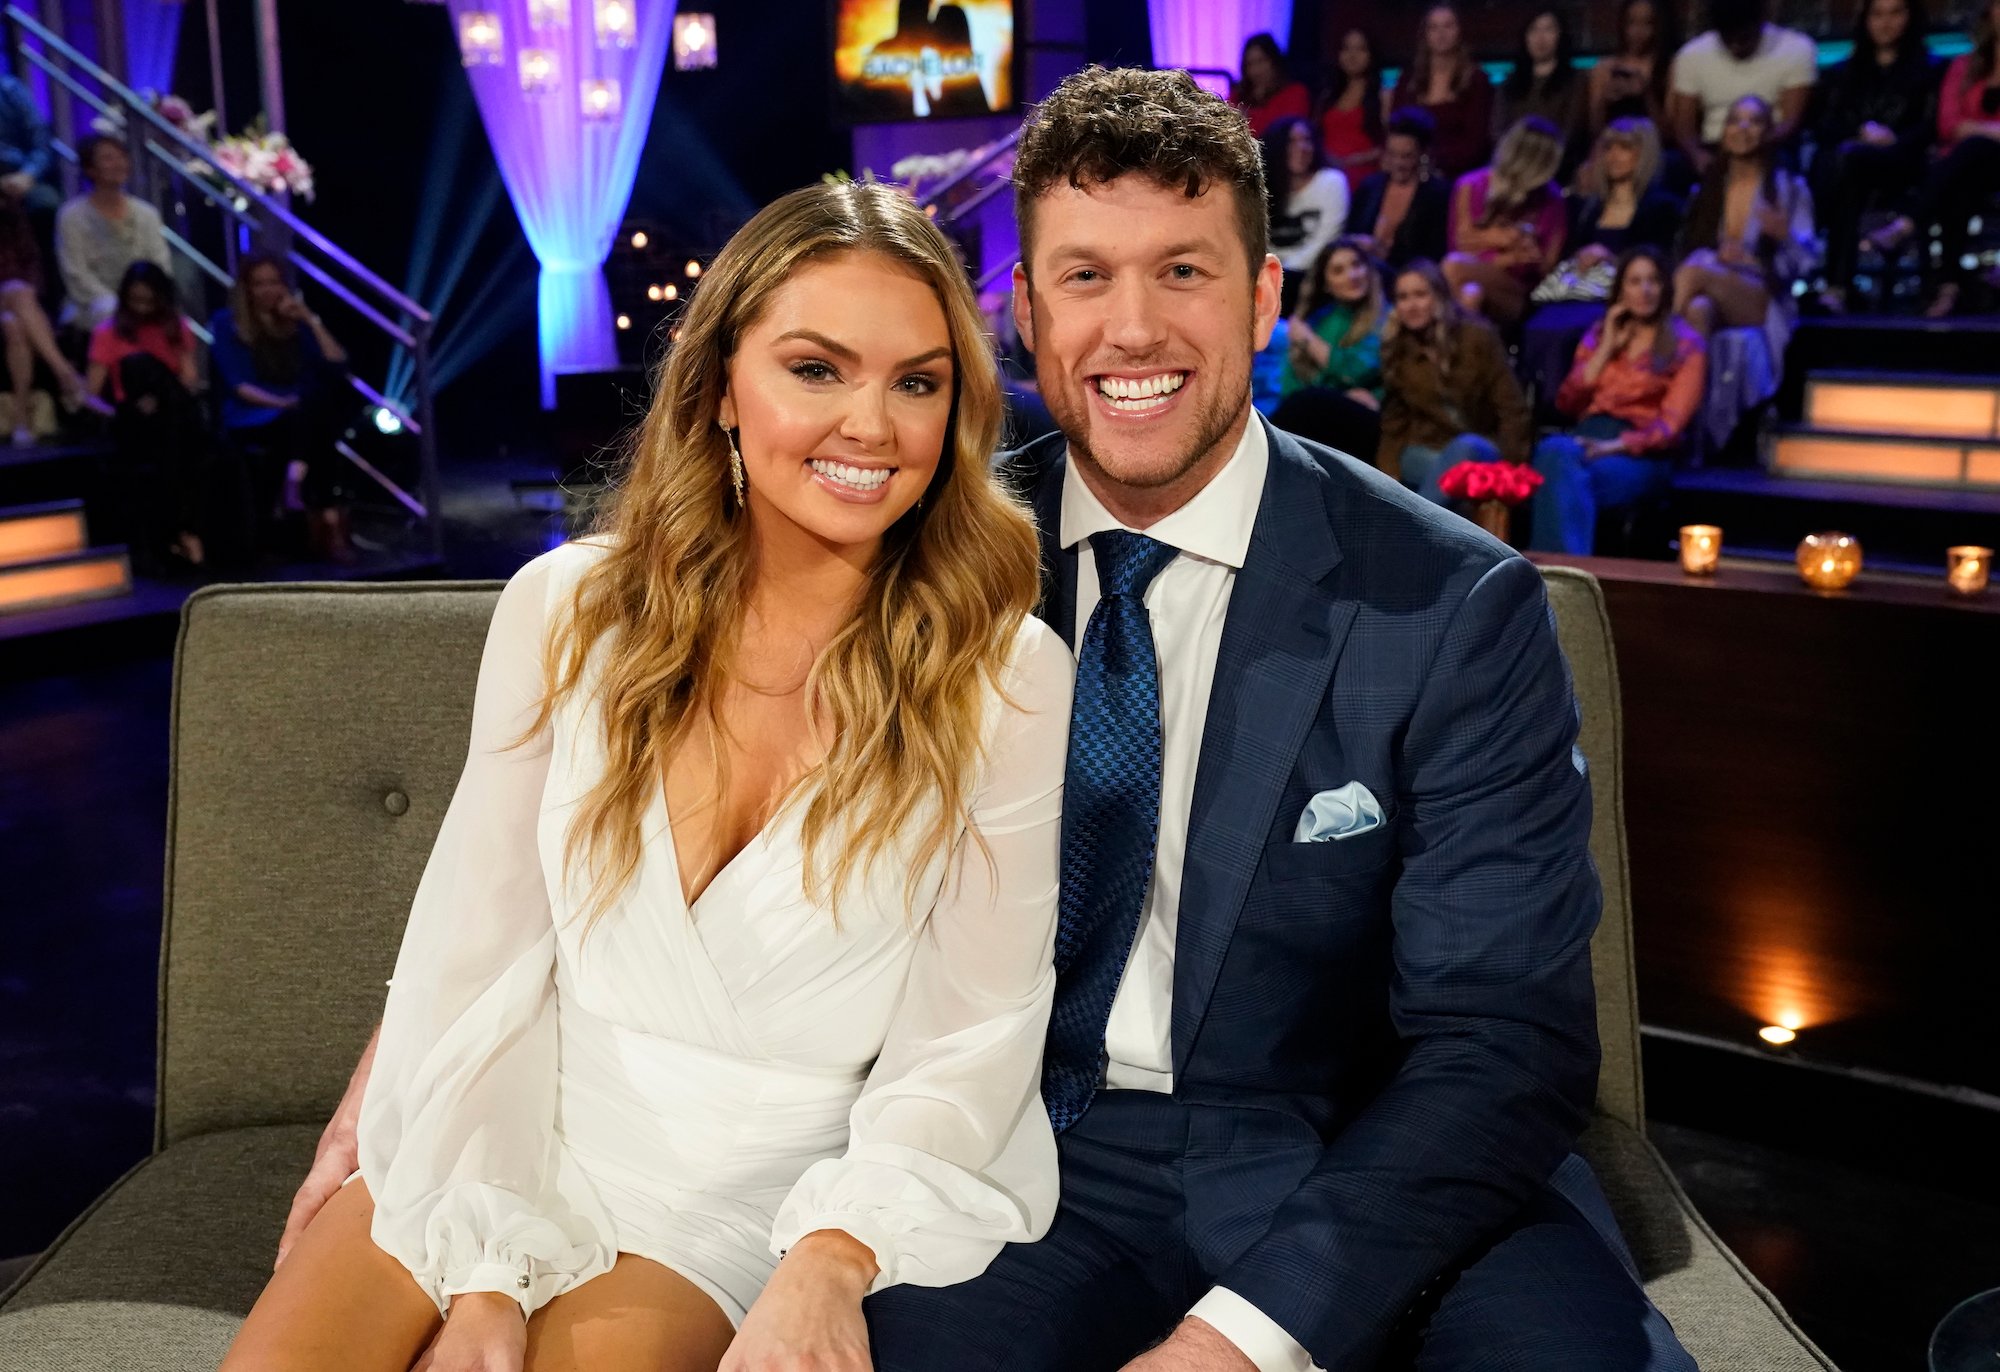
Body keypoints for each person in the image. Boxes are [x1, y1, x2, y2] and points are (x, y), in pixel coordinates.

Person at [867, 66, 1691, 1372]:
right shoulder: (928, 557)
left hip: (1365, 1143)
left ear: (1263, 298)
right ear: (1023, 311)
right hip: (1016, 1153)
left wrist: (1245, 1341)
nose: (1130, 329)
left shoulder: (1454, 601)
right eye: (1084, 276)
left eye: (1181, 272)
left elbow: (1500, 1040)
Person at [223, 180, 1070, 1372]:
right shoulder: (566, 609)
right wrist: (483, 1271)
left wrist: (835, 1252)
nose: (871, 425)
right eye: (815, 369)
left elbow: (969, 1040)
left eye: (916, 381)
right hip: (499, 1125)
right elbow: (481, 964)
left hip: (729, 1198)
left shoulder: (1008, 681)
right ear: (723, 384)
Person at [1531, 247, 1706, 554]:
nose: (1645, 290)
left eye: (1653, 281)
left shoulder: (1687, 345)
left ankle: (1555, 581)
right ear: (1620, 289)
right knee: (1553, 451)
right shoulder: (1600, 335)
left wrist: (1612, 447)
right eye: (1635, 281)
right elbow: (1567, 402)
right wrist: (1608, 346)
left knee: (1565, 481)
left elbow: (1669, 428)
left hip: (1639, 454)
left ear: (1665, 287)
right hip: (1587, 437)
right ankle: (1568, 582)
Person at [209, 253, 355, 561]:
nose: (267, 290)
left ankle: (296, 481)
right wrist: (284, 403)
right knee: (315, 416)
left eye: (273, 282)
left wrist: (309, 319)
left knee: (320, 398)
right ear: (246, 289)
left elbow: (338, 362)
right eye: (258, 284)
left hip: (299, 411)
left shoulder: (293, 322)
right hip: (252, 411)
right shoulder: (227, 323)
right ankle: (328, 519)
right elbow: (239, 387)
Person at [1868, 0, 2000, 318]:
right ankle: (1949, 286)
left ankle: (1907, 225)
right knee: (1962, 177)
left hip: (1976, 158)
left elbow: (1968, 129)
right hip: (1968, 168)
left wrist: (1981, 130)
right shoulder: (1964, 66)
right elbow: (1948, 124)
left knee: (1972, 151)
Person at [1810, 0, 1938, 314]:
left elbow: (1932, 126)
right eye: (1878, 14)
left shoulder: (1932, 69)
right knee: (1844, 168)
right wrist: (1859, 132)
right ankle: (1838, 286)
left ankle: (1821, 261)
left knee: (1841, 165)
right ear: (1865, 20)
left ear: (1910, 17)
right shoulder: (1843, 73)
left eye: (1896, 13)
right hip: (1853, 166)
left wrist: (1893, 140)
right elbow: (1825, 125)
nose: (1886, 23)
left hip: (1906, 162)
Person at [1674, 93, 1818, 366]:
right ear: (1724, 132)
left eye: (1754, 122)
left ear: (1768, 133)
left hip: (1765, 291)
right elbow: (1684, 246)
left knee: (1692, 271)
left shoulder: (1789, 190)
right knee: (1698, 309)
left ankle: (1646, 363)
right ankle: (1695, 403)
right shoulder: (1705, 192)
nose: (1742, 129)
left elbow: (1808, 263)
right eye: (1734, 121)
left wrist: (1784, 237)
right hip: (1714, 285)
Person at [85, 261, 206, 571]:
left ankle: (180, 531)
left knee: (169, 406)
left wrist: (164, 395)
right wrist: (123, 413)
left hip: (174, 414)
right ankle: (183, 531)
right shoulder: (108, 333)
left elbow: (189, 381)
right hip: (133, 419)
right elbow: (92, 395)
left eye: (148, 301)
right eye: (134, 300)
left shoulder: (175, 328)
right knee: (138, 365)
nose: (141, 308)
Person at [1380, 257, 1532, 505]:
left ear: (1439, 296)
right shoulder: (1397, 350)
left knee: (1466, 449)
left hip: (1483, 447)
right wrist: (1386, 475)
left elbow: (1512, 408)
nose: (1411, 305)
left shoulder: (1477, 338)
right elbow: (1394, 423)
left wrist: (1512, 467)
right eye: (1403, 297)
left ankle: (1415, 533)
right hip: (1429, 448)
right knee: (1425, 466)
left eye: (1420, 294)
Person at [0, 196, 106, 447]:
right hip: (16, 295)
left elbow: (32, 260)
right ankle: (68, 378)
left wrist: (25, 293)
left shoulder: (8, 209)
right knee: (19, 292)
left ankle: (21, 421)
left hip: (18, 303)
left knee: (14, 324)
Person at [1667, 0, 1817, 175]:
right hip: (1714, 148)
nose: (1735, 46)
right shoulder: (1691, 55)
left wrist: (1749, 145)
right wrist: (1697, 155)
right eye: (1727, 39)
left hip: (1770, 146)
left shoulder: (1796, 49)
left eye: (1744, 38)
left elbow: (1790, 123)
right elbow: (1684, 128)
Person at [1443, 115, 1568, 325]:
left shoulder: (1552, 200)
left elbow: (1545, 268)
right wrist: (1505, 243)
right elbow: (1460, 244)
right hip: (1471, 279)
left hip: (1517, 293)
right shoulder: (1469, 186)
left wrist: (1488, 241)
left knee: (1453, 268)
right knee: (1470, 294)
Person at [1273, 236, 1387, 463]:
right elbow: (1292, 386)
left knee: (1309, 404)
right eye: (1339, 270)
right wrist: (1340, 396)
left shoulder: (1385, 318)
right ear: (1325, 283)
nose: (1352, 275)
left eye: (1357, 265)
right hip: (1318, 421)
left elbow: (1356, 372)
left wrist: (1308, 341)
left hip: (1370, 422)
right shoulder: (1319, 321)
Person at [55, 135, 172, 330]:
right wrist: (115, 302)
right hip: (92, 303)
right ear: (90, 169)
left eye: (121, 157)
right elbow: (76, 273)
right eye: (108, 158)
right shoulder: (71, 216)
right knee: (108, 313)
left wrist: (144, 296)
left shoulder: (147, 214)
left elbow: (160, 263)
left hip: (144, 297)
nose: (118, 164)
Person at [1390, 4, 1496, 180]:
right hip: (1410, 174)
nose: (1441, 34)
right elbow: (1396, 130)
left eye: (1448, 26)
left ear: (1459, 31)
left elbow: (1476, 142)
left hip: (1460, 176)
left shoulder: (1476, 80)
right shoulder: (1408, 80)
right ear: (1425, 34)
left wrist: (1435, 164)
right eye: (1434, 27)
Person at [1345, 107, 1452, 269]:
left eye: (1407, 156)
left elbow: (1434, 255)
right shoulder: (1370, 187)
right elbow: (1347, 237)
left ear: (1423, 153)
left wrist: (1386, 254)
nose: (1398, 163)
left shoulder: (1437, 195)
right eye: (1392, 154)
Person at [1263, 116, 1350, 304]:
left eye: (1307, 140)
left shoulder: (1331, 182)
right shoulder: (1263, 188)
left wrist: (1282, 275)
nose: (1301, 148)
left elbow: (1326, 240)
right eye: (1292, 142)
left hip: (1309, 277)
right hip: (1268, 275)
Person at [1496, 9, 1589, 178]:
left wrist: (1542, 162)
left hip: (1557, 168)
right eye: (1534, 30)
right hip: (1513, 169)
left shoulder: (1575, 80)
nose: (1540, 37)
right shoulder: (1510, 82)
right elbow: (1498, 130)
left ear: (1560, 36)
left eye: (1548, 29)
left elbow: (1572, 130)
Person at [1589, 0, 1681, 137]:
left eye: (1647, 23)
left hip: (1655, 149)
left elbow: (1669, 133)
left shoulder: (1669, 67)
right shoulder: (1605, 68)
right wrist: (1604, 99)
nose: (1638, 31)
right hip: (1613, 146)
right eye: (1631, 22)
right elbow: (1595, 130)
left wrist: (1646, 94)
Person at [1315, 27, 1384, 194]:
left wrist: (1351, 160)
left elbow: (1388, 144)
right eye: (1347, 48)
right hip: (1326, 174)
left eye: (1360, 49)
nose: (1352, 55)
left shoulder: (1382, 95)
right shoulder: (1327, 95)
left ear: (1371, 54)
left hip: (1363, 179)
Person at [1233, 33, 1311, 138]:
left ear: (1274, 61)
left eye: (1261, 61)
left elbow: (1289, 135)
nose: (1256, 71)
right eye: (1250, 64)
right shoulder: (1237, 97)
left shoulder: (1295, 94)